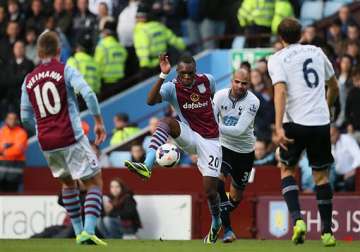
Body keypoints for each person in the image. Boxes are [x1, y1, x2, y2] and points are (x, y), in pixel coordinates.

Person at [20, 31, 107, 246]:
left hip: (47, 142)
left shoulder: (28, 79)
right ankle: (88, 230)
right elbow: (88, 94)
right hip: (71, 136)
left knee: (68, 184)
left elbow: (24, 117)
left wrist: (41, 130)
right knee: (94, 181)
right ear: (59, 50)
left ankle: (78, 233)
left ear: (39, 52)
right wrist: (98, 122)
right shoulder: (65, 70)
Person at [124, 54, 222, 244]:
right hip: (189, 134)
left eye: (190, 73)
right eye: (183, 73)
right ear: (177, 72)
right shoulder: (171, 87)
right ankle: (147, 165)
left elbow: (212, 99)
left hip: (211, 141)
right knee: (167, 121)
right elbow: (150, 101)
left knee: (210, 190)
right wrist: (162, 74)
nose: (187, 77)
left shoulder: (207, 80)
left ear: (196, 71)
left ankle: (216, 223)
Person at [268, 18, 339, 246]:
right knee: (321, 176)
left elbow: (280, 91)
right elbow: (334, 86)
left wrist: (278, 127)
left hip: (294, 123)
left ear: (280, 38)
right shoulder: (317, 52)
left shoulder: (277, 58)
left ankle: (298, 220)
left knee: (287, 170)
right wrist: (326, 107)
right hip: (320, 122)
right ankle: (327, 233)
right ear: (301, 34)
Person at [212, 69, 259, 243]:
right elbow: (210, 118)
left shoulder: (253, 101)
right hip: (224, 146)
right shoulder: (219, 96)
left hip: (245, 151)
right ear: (231, 81)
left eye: (244, 83)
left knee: (236, 198)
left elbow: (239, 131)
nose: (240, 86)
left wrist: (214, 128)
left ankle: (219, 214)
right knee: (218, 180)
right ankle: (228, 230)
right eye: (237, 82)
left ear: (249, 84)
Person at [0, 112, 28, 192]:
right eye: (9, 118)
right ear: (6, 120)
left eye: (14, 119)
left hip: (16, 165)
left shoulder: (21, 133)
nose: (11, 121)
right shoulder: (1, 131)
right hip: (2, 164)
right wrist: (8, 148)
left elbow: (18, 150)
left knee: (12, 190)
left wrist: (4, 151)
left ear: (17, 120)